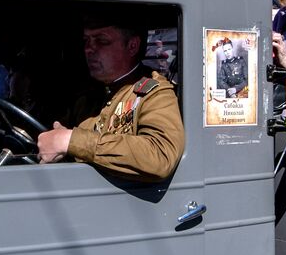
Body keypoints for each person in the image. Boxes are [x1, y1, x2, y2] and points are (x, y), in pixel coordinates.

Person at [37, 12, 185, 183]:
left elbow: (161, 156)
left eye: (102, 41)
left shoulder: (154, 94)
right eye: (86, 41)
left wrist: (71, 141)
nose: (89, 49)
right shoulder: (88, 96)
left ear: (132, 46)